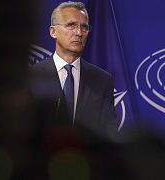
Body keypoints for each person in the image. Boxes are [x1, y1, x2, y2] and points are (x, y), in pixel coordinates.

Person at [29, 1, 118, 139]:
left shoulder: (102, 80)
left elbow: (109, 130)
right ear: (53, 32)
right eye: (71, 25)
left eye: (84, 27)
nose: (79, 33)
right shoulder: (33, 77)